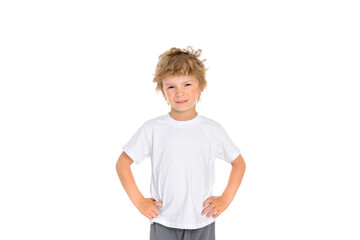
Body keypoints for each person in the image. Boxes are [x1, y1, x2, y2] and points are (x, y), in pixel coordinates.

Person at [116, 46, 246, 240]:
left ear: (201, 86)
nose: (179, 93)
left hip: (202, 219)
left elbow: (238, 163)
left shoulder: (213, 130)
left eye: (187, 84)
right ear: (162, 90)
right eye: (171, 87)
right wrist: (139, 201)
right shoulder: (153, 129)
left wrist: (226, 198)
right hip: (164, 219)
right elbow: (122, 163)